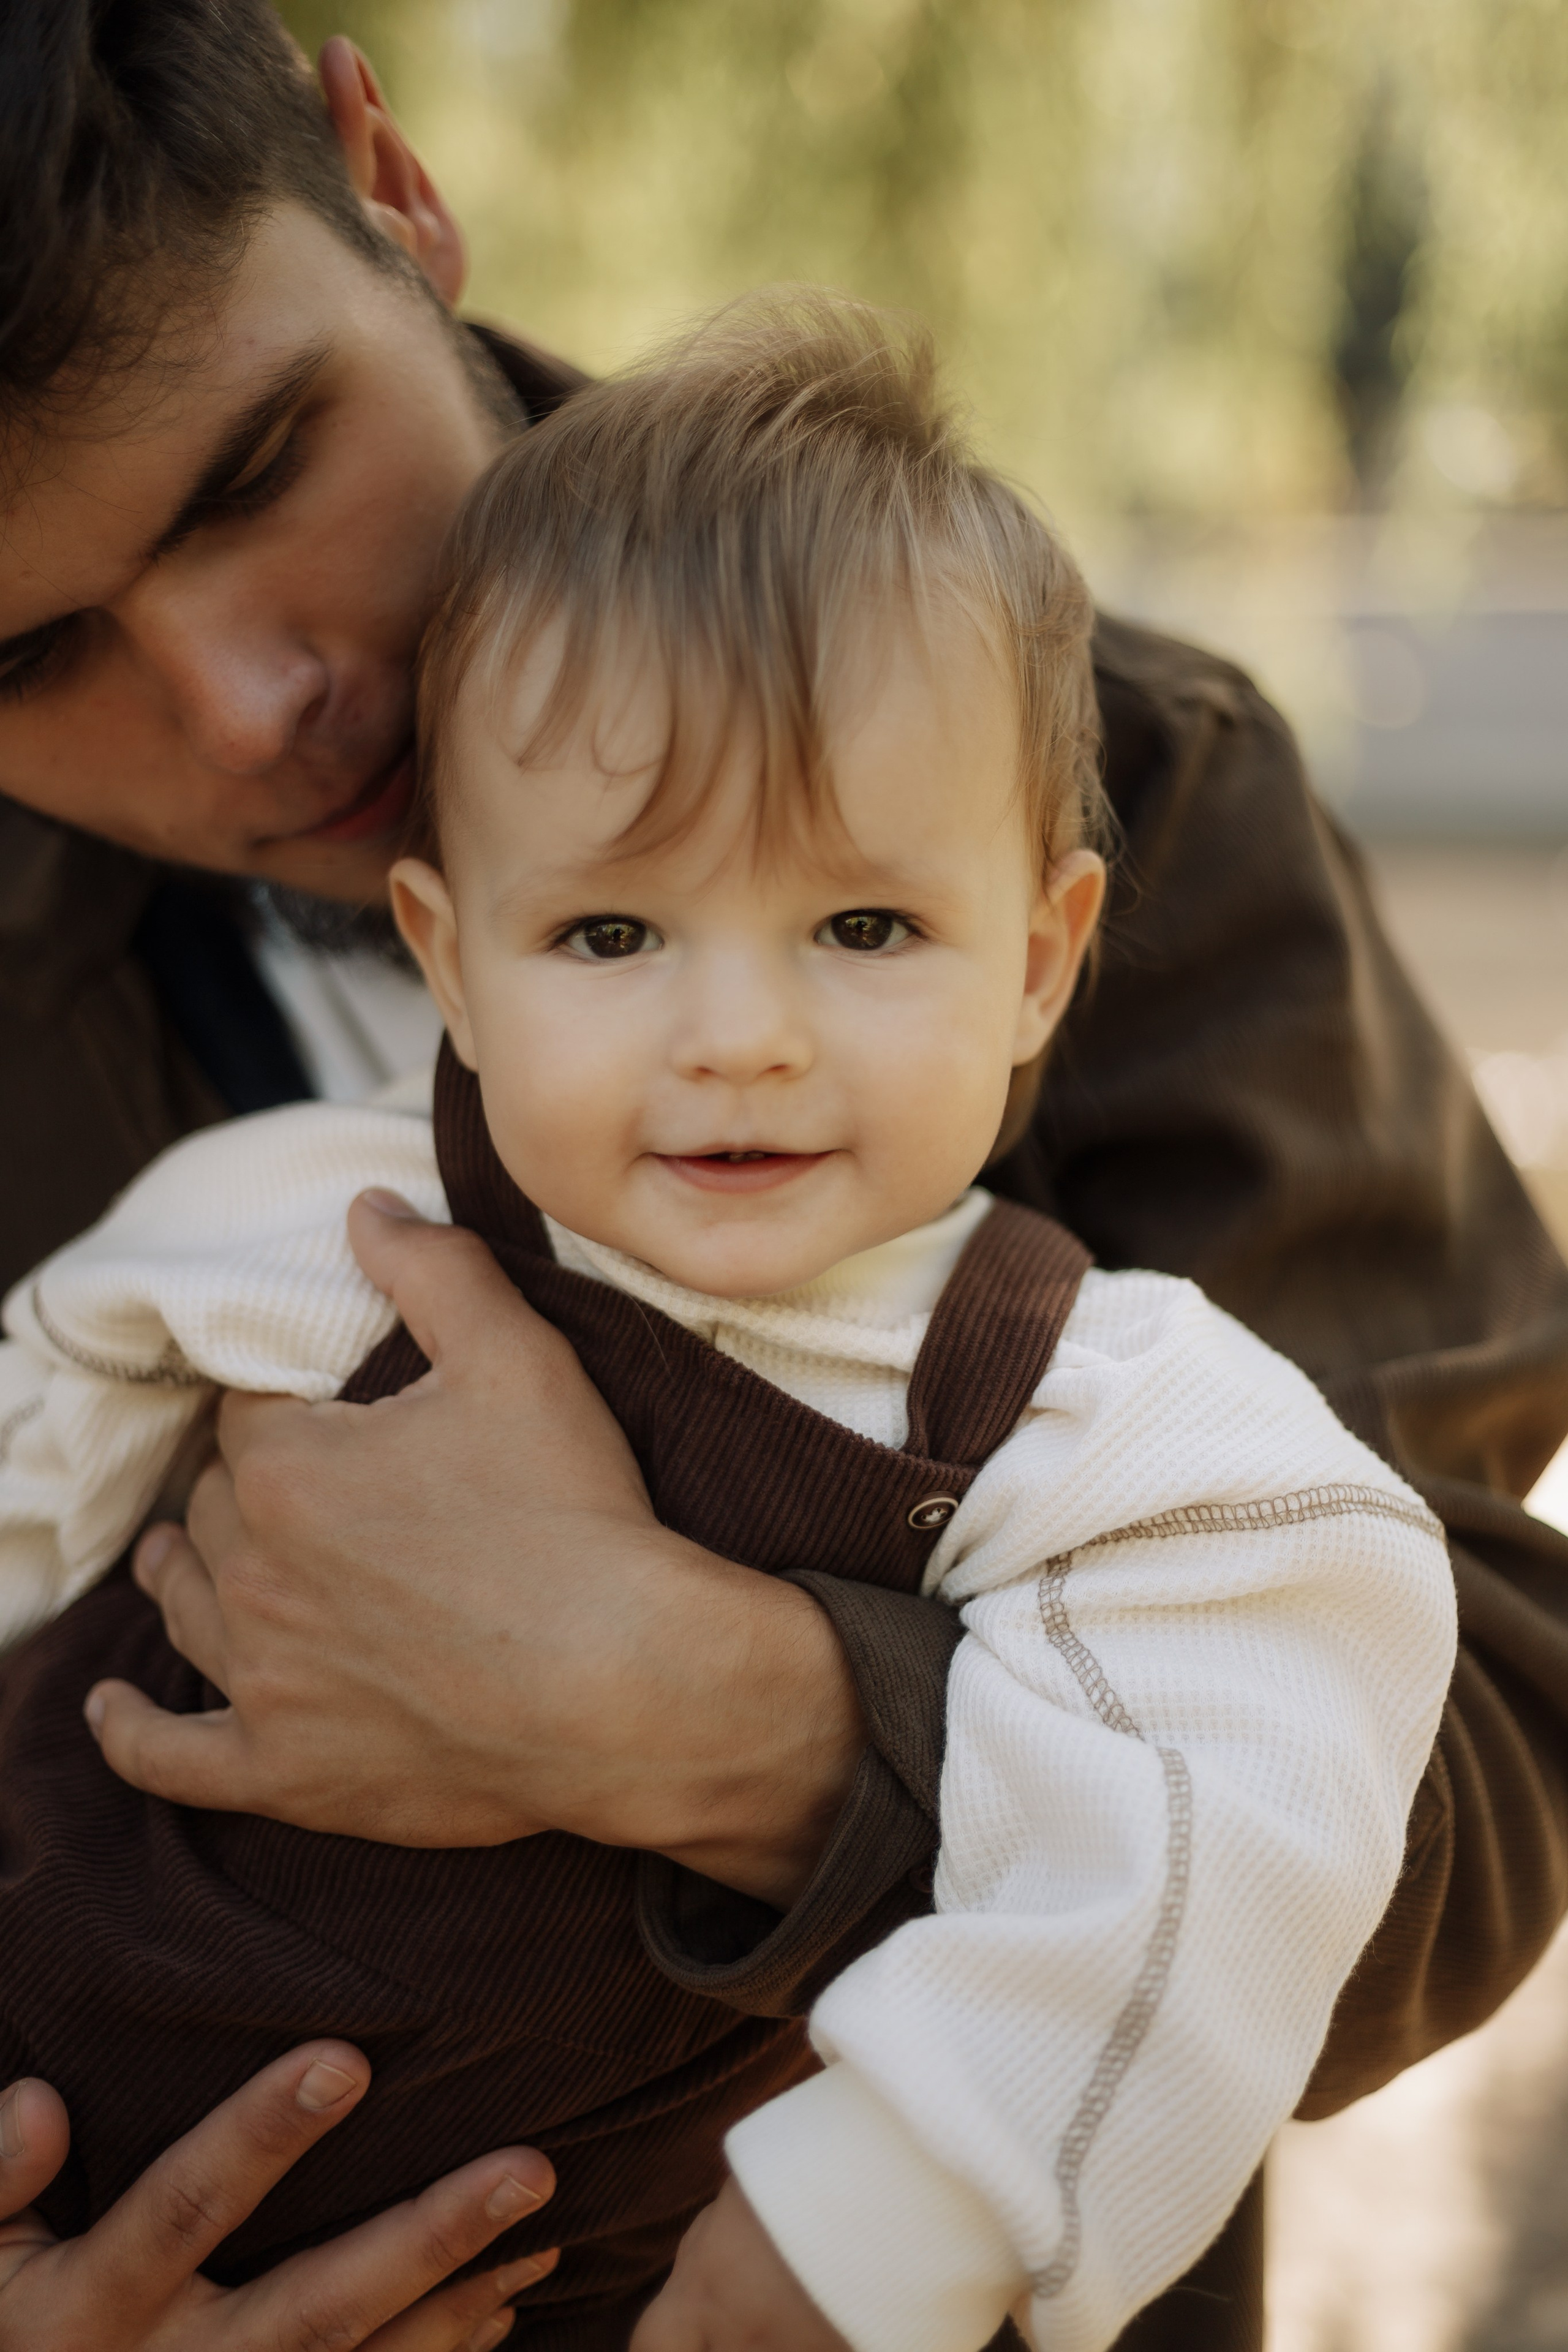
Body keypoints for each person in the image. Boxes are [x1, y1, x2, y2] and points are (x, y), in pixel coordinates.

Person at [0, 7, 1565, 2349]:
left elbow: (1473, 1771)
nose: (246, 701)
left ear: (389, 181)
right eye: (29, 647)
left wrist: (726, 1717)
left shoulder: (1121, 781)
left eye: (250, 473)